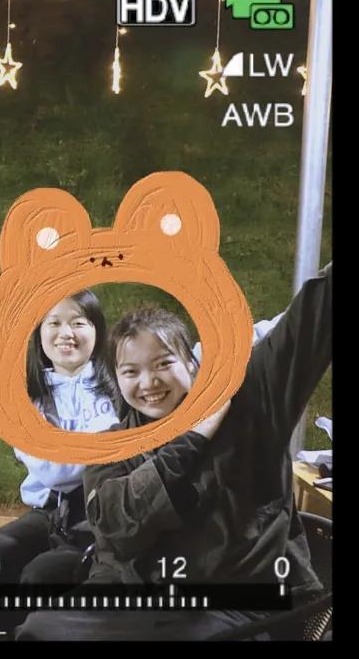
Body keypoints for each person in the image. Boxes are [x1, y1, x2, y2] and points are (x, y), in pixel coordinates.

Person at [17, 263, 332, 641]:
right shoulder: (112, 446)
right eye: (131, 371)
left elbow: (311, 320)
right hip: (138, 601)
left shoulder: (252, 407)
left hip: (236, 607)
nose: (149, 382)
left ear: (192, 364)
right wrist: (193, 437)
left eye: (163, 363)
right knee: (38, 630)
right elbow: (118, 528)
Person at [0, 291, 119, 594]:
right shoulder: (24, 400)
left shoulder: (119, 385)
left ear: (97, 330)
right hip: (48, 512)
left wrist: (68, 448)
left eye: (78, 323)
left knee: (40, 575)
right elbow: (55, 473)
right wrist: (104, 445)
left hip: (103, 517)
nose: (66, 333)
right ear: (39, 334)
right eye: (54, 323)